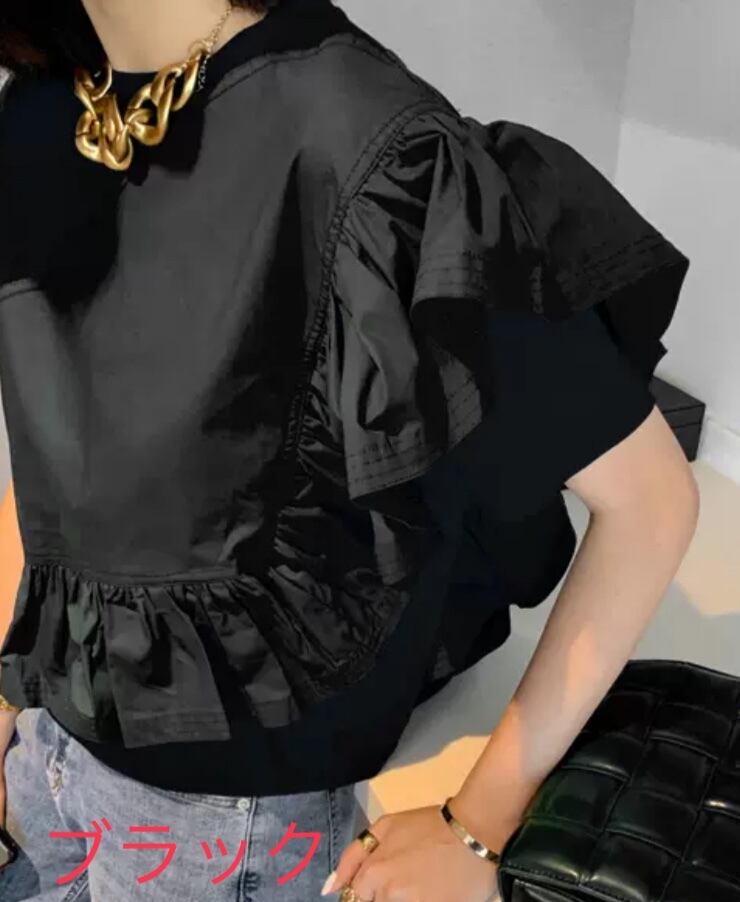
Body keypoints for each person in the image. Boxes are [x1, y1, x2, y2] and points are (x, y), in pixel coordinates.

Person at [0, 1, 699, 899]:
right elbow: (58, 460)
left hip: (222, 838)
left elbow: (649, 501)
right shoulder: (40, 112)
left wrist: (479, 824)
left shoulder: (357, 139)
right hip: (47, 760)